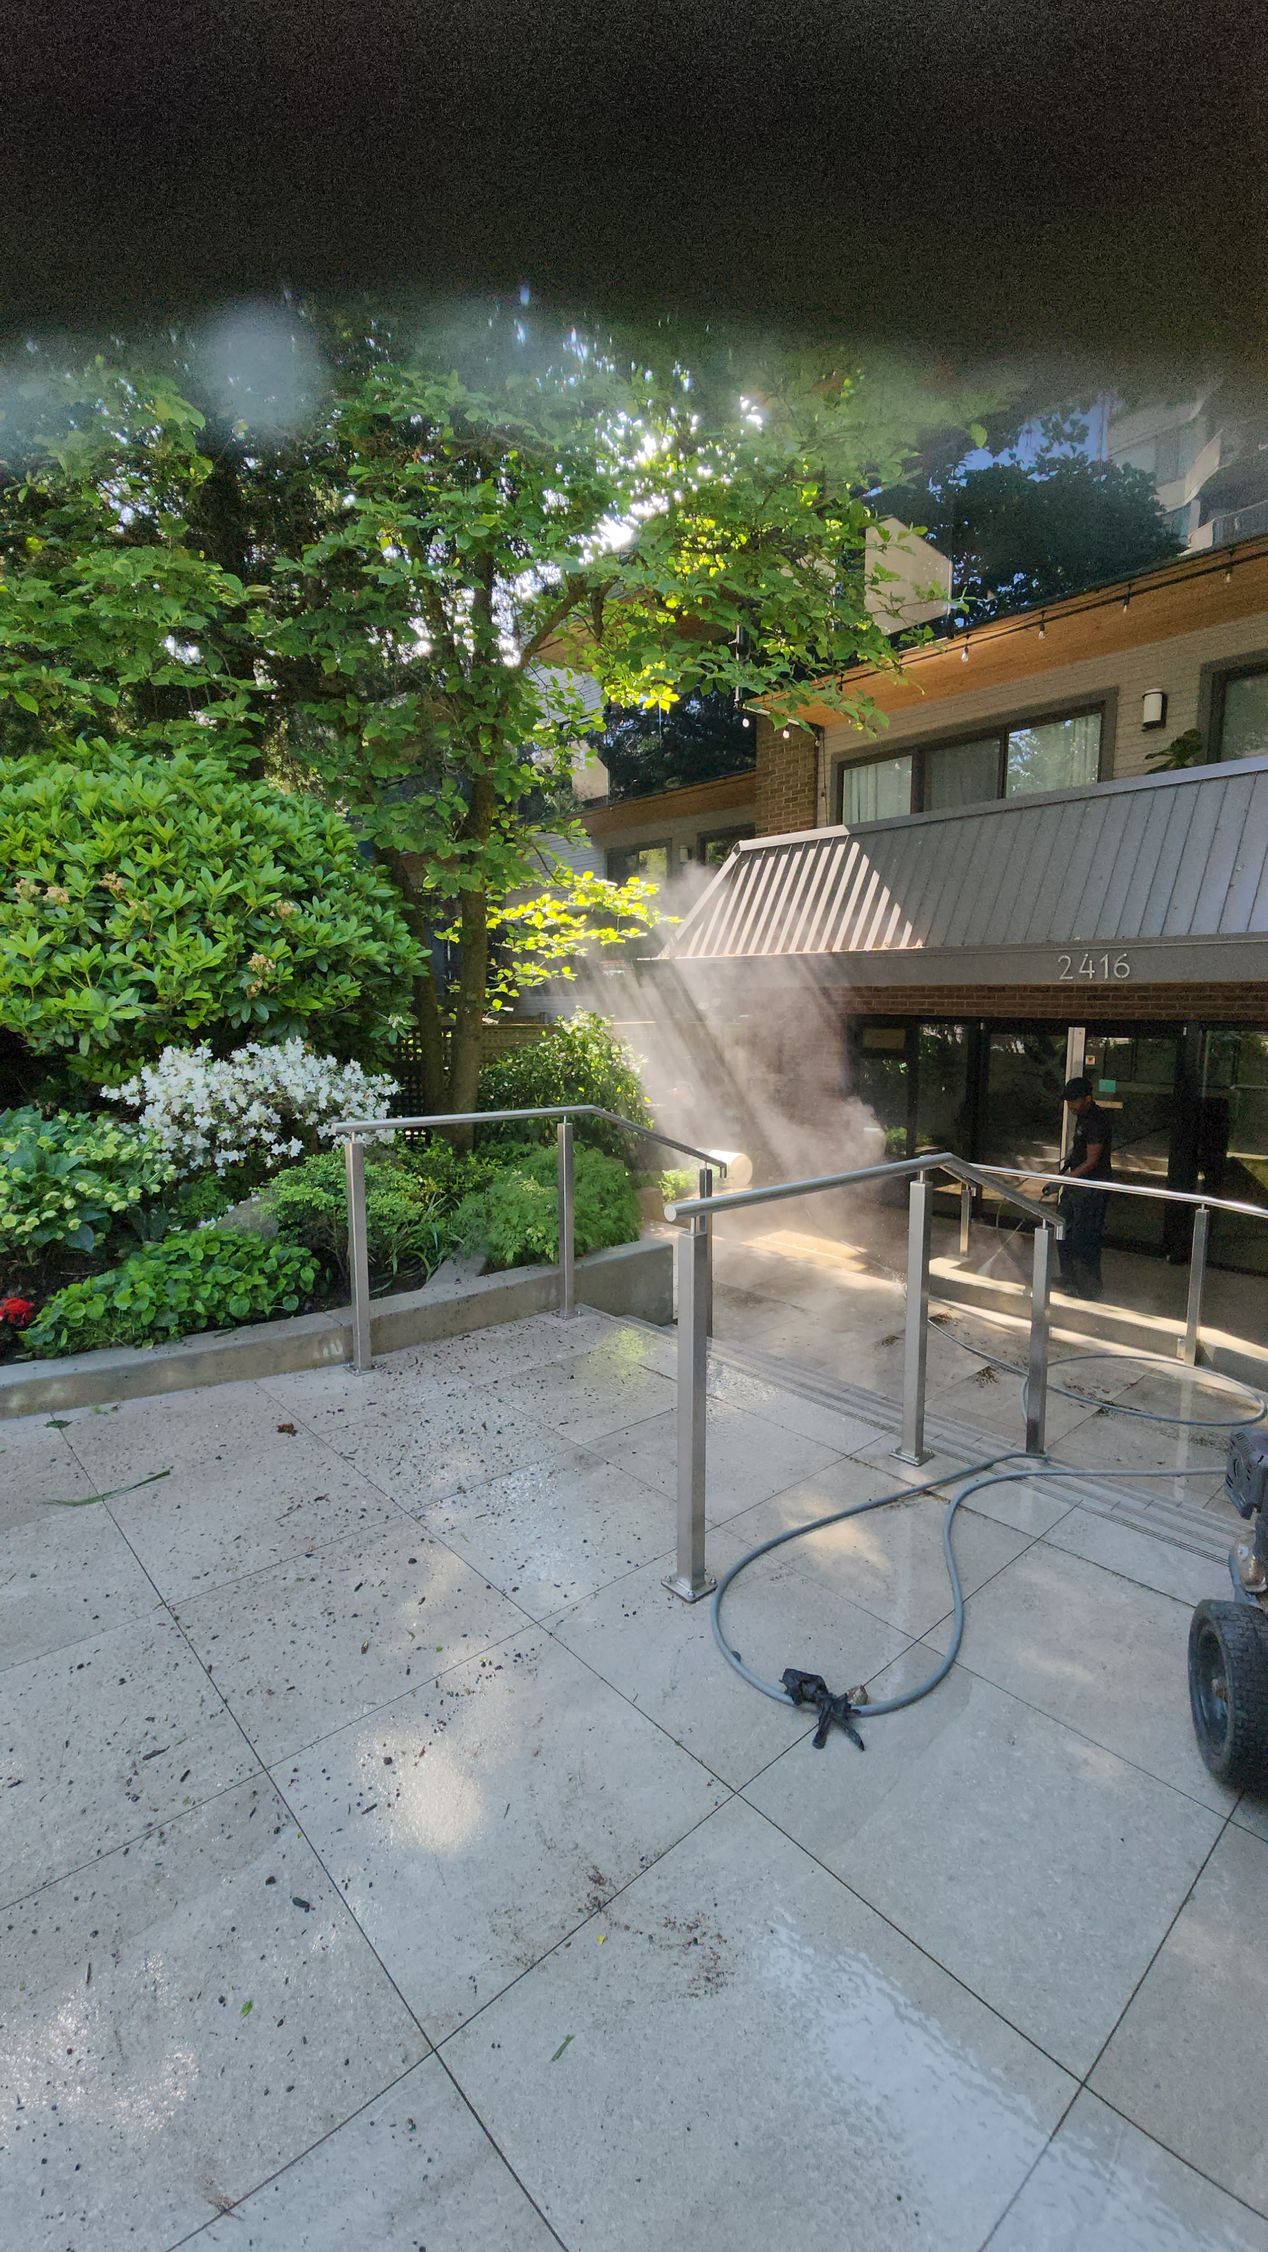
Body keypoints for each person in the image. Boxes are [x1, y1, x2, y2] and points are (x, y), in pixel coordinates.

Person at [1044, 1076, 1113, 1298]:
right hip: (1075, 1186)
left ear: (1088, 1098)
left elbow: (1092, 1161)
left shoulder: (1097, 1121)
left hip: (1091, 1188)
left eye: (1074, 1101)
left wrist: (1064, 1181)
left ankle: (1089, 1288)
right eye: (1068, 1102)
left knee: (1085, 1238)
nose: (1070, 1106)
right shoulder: (1082, 1117)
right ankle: (1069, 1277)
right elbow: (1079, 1153)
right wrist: (1064, 1173)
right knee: (1063, 1230)